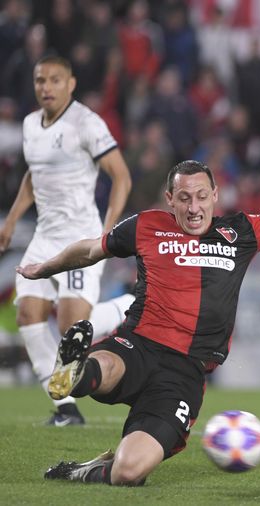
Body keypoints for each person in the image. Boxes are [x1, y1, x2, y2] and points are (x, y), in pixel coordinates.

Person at [16, 159, 260, 486]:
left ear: (215, 196)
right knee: (107, 364)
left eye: (201, 196)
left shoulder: (242, 231)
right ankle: (74, 372)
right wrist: (45, 268)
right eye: (184, 198)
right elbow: (90, 249)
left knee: (129, 472)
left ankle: (87, 469)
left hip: (184, 372)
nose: (193, 207)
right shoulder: (146, 226)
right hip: (138, 344)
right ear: (170, 199)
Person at [0, 55, 133, 426]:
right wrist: (11, 220)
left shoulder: (86, 123)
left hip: (80, 239)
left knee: (70, 329)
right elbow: (34, 175)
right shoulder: (30, 124)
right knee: (28, 316)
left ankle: (127, 305)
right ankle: (66, 409)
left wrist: (107, 234)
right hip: (44, 236)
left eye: (55, 80)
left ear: (71, 84)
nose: (46, 87)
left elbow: (121, 177)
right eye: (40, 80)